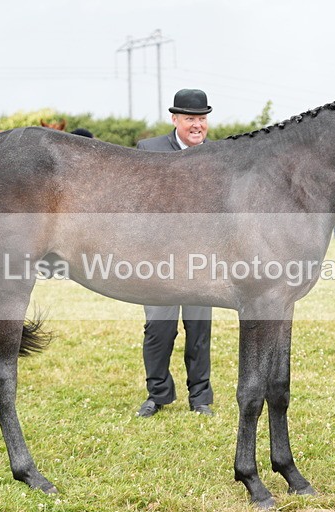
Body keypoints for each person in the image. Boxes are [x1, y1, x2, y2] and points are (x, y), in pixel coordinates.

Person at [134, 88, 215, 418]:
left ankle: (200, 398)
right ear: (175, 119)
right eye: (190, 119)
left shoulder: (219, 155)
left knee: (199, 330)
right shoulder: (148, 150)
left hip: (201, 259)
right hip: (158, 259)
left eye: (202, 119)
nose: (197, 125)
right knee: (158, 329)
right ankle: (158, 394)